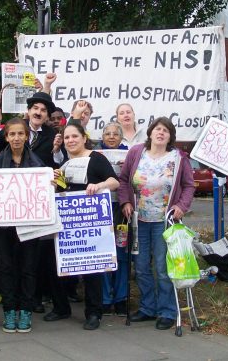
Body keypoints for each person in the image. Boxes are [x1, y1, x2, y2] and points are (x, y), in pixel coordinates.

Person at [118, 117, 195, 330]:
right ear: (150, 133)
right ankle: (147, 308)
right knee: (141, 267)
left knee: (162, 268)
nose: (161, 133)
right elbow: (124, 180)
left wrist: (181, 206)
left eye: (166, 131)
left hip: (164, 221)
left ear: (170, 137)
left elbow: (189, 185)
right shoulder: (136, 153)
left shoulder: (178, 158)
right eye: (157, 129)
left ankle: (167, 310)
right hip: (139, 220)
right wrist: (125, 201)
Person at [45, 123, 119, 330]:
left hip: (91, 222)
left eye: (74, 136)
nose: (70, 140)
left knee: (91, 268)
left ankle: (93, 313)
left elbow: (115, 181)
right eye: (66, 138)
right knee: (56, 262)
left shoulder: (96, 158)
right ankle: (61, 308)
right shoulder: (66, 164)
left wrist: (99, 185)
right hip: (66, 223)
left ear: (84, 137)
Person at [0, 118, 45, 333]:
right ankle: (9, 310)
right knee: (6, 268)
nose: (16, 138)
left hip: (29, 226)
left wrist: (50, 181)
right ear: (6, 137)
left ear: (26, 136)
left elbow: (42, 192)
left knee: (28, 268)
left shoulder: (37, 163)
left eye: (20, 134)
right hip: (3, 227)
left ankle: (25, 310)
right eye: (12, 134)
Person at [93, 122, 129, 316]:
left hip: (122, 209)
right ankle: (106, 298)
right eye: (108, 134)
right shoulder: (95, 154)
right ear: (102, 136)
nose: (112, 137)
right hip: (101, 209)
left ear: (121, 137)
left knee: (121, 254)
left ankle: (121, 298)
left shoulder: (131, 154)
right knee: (105, 253)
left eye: (116, 134)